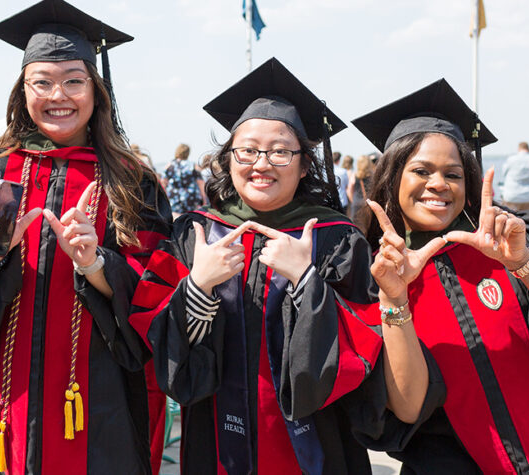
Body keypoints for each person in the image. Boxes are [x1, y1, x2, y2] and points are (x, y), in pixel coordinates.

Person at [0, 1, 171, 473]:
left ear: (96, 89)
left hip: (99, 399)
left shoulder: (133, 184)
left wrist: (95, 264)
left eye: (74, 79)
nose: (59, 94)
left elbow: (157, 291)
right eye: (43, 81)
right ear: (22, 89)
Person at [348, 78, 529, 473]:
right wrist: (395, 300)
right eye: (421, 170)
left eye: (453, 173)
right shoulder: (370, 273)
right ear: (393, 177)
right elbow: (408, 407)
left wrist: (523, 264)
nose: (438, 184)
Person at [130, 57, 383, 473]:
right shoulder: (197, 233)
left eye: (281, 151)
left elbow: (367, 342)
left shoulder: (337, 239)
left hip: (317, 439)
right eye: (247, 150)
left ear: (305, 165)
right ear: (228, 158)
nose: (261, 163)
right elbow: (154, 335)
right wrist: (198, 287)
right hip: (213, 444)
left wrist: (306, 281)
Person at [163, 143, 205, 217]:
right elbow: (200, 183)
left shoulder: (169, 165)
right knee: (190, 219)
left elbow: (163, 183)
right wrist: (204, 199)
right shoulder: (192, 165)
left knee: (175, 219)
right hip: (190, 198)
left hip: (174, 198)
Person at [501, 141, 529, 211]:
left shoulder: (511, 159)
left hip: (511, 196)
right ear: (528, 149)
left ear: (518, 149)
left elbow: (504, 174)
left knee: (510, 218)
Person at [347, 154, 374, 224]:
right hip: (368, 204)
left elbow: (350, 190)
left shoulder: (354, 175)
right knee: (367, 225)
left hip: (356, 203)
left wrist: (353, 200)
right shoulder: (373, 176)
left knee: (355, 225)